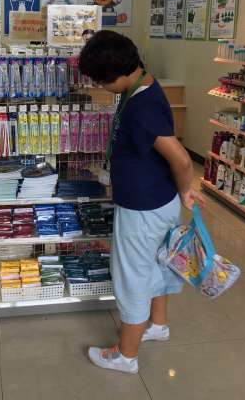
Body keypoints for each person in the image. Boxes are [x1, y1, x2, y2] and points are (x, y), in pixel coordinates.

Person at [78, 31, 205, 374]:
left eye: (102, 81)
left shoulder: (141, 107)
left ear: (117, 74)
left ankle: (126, 355)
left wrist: (187, 190)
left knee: (132, 276)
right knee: (156, 264)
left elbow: (181, 159)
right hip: (156, 198)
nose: (101, 87)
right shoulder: (142, 84)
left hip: (143, 208)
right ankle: (157, 325)